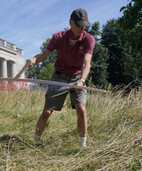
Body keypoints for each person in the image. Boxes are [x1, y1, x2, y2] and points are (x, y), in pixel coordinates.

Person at [28, 9, 95, 148]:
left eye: (84, 24)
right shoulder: (58, 37)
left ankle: (83, 146)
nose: (82, 28)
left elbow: (86, 63)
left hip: (77, 77)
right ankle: (35, 141)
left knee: (81, 109)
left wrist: (81, 80)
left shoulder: (89, 39)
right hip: (59, 77)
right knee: (47, 111)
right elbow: (44, 54)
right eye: (79, 24)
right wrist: (34, 60)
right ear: (70, 22)